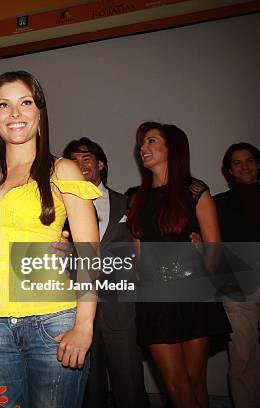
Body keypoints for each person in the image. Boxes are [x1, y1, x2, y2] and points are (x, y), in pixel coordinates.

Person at [0, 71, 100, 408]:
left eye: (25, 103)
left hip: (52, 323)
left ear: (39, 113)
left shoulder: (62, 169)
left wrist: (84, 325)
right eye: (4, 105)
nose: (15, 113)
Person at [127, 122, 231, 408]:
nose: (142, 149)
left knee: (195, 382)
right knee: (176, 383)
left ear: (171, 148)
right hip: (156, 300)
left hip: (195, 293)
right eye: (141, 143)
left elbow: (214, 249)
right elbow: (139, 257)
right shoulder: (136, 198)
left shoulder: (195, 190)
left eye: (150, 141)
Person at [63, 138, 148, 408]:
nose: (80, 164)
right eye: (73, 160)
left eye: (86, 158)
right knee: (88, 388)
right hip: (74, 307)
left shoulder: (128, 203)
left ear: (101, 163)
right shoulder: (58, 208)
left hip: (120, 308)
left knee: (130, 384)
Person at [213, 142, 260, 408]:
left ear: (258, 164)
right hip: (238, 290)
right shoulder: (218, 204)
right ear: (229, 170)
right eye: (237, 163)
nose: (244, 166)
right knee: (243, 358)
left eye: (250, 160)